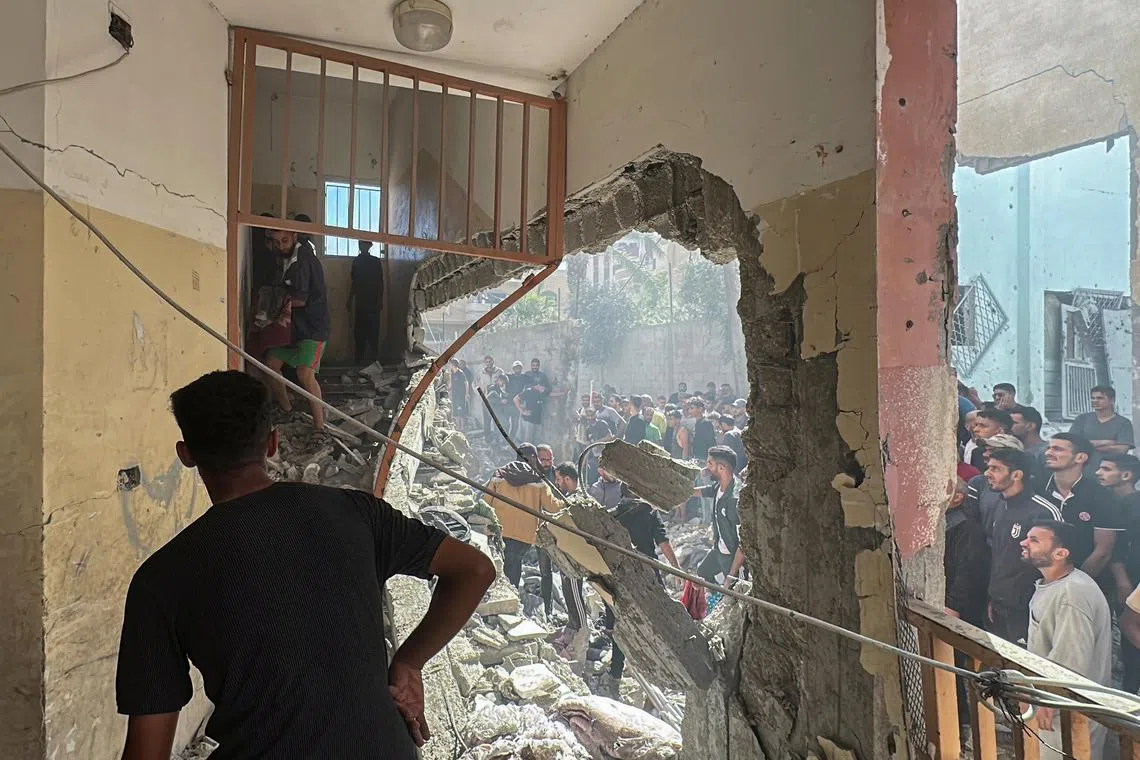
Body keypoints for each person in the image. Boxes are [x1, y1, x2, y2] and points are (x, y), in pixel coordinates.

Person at [115, 371, 494, 759]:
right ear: (273, 443)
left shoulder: (161, 579)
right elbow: (475, 570)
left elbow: (147, 750)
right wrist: (410, 661)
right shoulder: (356, 513)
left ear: (186, 455)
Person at [1021, 520, 1112, 759]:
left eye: (1034, 540)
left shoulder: (1072, 594)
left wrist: (1048, 700)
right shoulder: (1054, 584)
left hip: (1066, 713)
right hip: (1053, 707)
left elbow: (1072, 658)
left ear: (1061, 553)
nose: (1024, 543)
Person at [599, 485, 680, 696]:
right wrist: (677, 569)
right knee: (659, 621)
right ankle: (666, 673)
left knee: (620, 625)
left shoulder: (612, 516)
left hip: (620, 576)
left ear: (622, 494)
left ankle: (615, 675)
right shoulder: (649, 512)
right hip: (648, 575)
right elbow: (662, 542)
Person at [982, 448, 1060, 645]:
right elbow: (1000, 555)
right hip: (1000, 605)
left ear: (1016, 475)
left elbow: (1056, 566)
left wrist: (1039, 610)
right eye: (988, 467)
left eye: (996, 469)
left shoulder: (1043, 512)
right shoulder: (1000, 505)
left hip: (1028, 610)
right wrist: (995, 596)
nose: (987, 473)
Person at [263, 228, 331, 434]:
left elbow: (300, 299)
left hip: (313, 329)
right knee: (271, 363)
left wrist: (270, 304)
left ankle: (320, 428)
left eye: (284, 240)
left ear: (294, 236)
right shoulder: (287, 259)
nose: (280, 245)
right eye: (276, 242)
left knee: (305, 373)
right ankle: (287, 409)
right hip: (296, 329)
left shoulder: (303, 260)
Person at [1042, 432, 1122, 592]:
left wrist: (1072, 585)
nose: (1048, 452)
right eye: (1049, 448)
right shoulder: (1036, 489)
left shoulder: (1101, 496)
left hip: (1087, 584)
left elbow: (1103, 551)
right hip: (1039, 582)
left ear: (1080, 458)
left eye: (1057, 449)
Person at [482, 445, 558, 612]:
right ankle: (511, 599)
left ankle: (507, 599)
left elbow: (486, 501)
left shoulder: (499, 475)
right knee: (515, 563)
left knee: (506, 562)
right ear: (533, 458)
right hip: (524, 533)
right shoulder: (538, 480)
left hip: (501, 529)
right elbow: (553, 507)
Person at [1100, 453, 1140, 692]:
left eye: (1106, 469)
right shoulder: (1105, 501)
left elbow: (1122, 544)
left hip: (1132, 578)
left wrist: (1124, 580)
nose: (1099, 473)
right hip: (1123, 581)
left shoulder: (1134, 505)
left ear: (1126, 475)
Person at [694, 446, 745, 585]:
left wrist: (731, 575)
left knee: (732, 592)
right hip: (719, 549)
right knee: (702, 573)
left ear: (722, 468)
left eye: (710, 463)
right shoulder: (720, 485)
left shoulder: (734, 499)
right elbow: (704, 491)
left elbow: (744, 542)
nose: (706, 467)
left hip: (732, 556)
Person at [552, 463, 588, 644]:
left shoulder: (580, 499)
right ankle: (573, 624)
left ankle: (582, 629)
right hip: (566, 554)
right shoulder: (568, 498)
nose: (557, 483)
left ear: (567, 478)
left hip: (575, 557)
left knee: (575, 592)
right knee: (568, 592)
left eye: (559, 479)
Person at [1070, 385, 1135, 471]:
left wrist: (1087, 444)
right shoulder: (1082, 419)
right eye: (1093, 398)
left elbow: (1122, 450)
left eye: (1100, 398)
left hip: (1110, 471)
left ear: (1112, 400)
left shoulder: (1123, 423)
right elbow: (1072, 444)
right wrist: (1108, 442)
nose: (1095, 401)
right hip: (1083, 470)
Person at [347, 240, 383, 365]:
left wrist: (380, 300)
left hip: (371, 302)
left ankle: (373, 362)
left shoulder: (375, 261)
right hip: (362, 303)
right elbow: (355, 283)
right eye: (360, 244)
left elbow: (380, 283)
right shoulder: (357, 262)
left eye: (364, 244)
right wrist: (350, 299)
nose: (362, 247)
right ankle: (359, 362)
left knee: (372, 333)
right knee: (360, 333)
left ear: (369, 246)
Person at [1010, 405, 1048, 482]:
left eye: (1013, 423)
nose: (1008, 426)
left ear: (1030, 426)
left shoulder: (1046, 452)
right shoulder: (1014, 450)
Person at [504, 362, 527, 436]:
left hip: (517, 404)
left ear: (521, 368)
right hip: (508, 403)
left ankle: (511, 440)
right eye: (516, 368)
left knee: (515, 424)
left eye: (519, 367)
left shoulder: (524, 377)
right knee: (505, 423)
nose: (517, 369)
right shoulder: (509, 376)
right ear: (513, 369)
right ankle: (504, 439)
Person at [448, 359, 470, 430]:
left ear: (453, 364)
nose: (449, 366)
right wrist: (448, 389)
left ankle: (462, 427)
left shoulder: (460, 373)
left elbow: (466, 383)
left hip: (461, 395)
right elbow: (451, 385)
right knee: (455, 411)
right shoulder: (452, 374)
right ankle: (457, 426)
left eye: (450, 364)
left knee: (461, 411)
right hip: (454, 395)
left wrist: (467, 393)